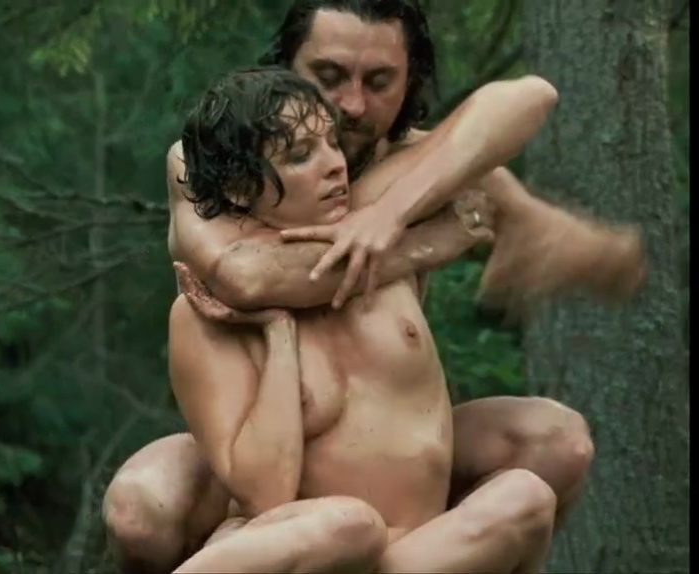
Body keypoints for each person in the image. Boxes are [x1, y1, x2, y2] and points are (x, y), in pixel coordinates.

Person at [104, 1, 645, 572]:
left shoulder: (429, 166)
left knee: (558, 443)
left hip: (393, 455)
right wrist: (426, 242)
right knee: (143, 507)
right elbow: (247, 277)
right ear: (289, 65)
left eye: (380, 81)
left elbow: (532, 99)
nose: (352, 105)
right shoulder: (212, 159)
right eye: (329, 75)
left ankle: (423, 550)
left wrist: (392, 214)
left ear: (411, 82)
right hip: (263, 454)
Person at [167, 66, 557, 573]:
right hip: (312, 550)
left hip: (419, 555)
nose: (335, 165)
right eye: (301, 155)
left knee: (526, 495)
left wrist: (434, 233)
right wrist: (278, 332)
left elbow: (519, 109)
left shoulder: (388, 255)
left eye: (332, 143)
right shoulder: (206, 314)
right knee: (351, 525)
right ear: (240, 189)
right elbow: (266, 495)